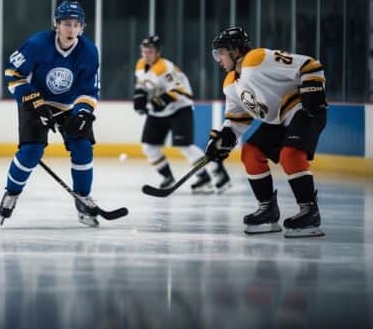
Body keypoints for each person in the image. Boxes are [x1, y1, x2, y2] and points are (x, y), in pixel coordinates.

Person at [205, 26, 327, 238]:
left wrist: (313, 90)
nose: (218, 59)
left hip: (302, 109)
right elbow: (237, 119)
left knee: (290, 156)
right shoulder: (230, 83)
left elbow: (309, 64)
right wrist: (224, 139)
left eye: (221, 52)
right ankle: (268, 210)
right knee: (250, 153)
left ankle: (310, 212)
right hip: (279, 119)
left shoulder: (256, 59)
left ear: (236, 50)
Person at [0, 0, 101, 227]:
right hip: (36, 101)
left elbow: (89, 89)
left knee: (83, 147)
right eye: (66, 24)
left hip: (69, 105)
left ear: (82, 27)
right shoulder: (37, 44)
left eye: (76, 24)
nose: (71, 29)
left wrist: (83, 113)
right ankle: (12, 193)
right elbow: (13, 73)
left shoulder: (89, 51)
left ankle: (82, 197)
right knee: (32, 151)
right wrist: (34, 101)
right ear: (56, 25)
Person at [133, 35, 230, 193]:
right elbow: (142, 84)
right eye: (144, 51)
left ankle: (217, 172)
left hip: (179, 108)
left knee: (185, 146)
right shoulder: (140, 65)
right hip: (159, 112)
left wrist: (161, 100)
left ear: (157, 52)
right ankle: (168, 177)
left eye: (149, 51)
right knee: (149, 147)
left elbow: (180, 91)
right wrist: (139, 97)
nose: (146, 55)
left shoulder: (165, 68)